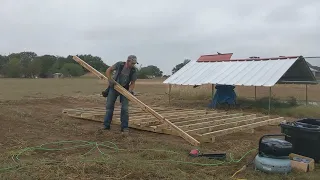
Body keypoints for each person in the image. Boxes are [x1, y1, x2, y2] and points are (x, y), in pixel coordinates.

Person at [103, 55, 138, 135]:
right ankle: (106, 125)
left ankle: (124, 127)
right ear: (128, 61)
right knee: (109, 106)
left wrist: (129, 91)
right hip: (114, 87)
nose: (133, 65)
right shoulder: (120, 64)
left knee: (125, 109)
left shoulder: (133, 70)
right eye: (132, 63)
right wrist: (110, 79)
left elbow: (132, 83)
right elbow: (108, 70)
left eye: (134, 63)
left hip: (124, 89)